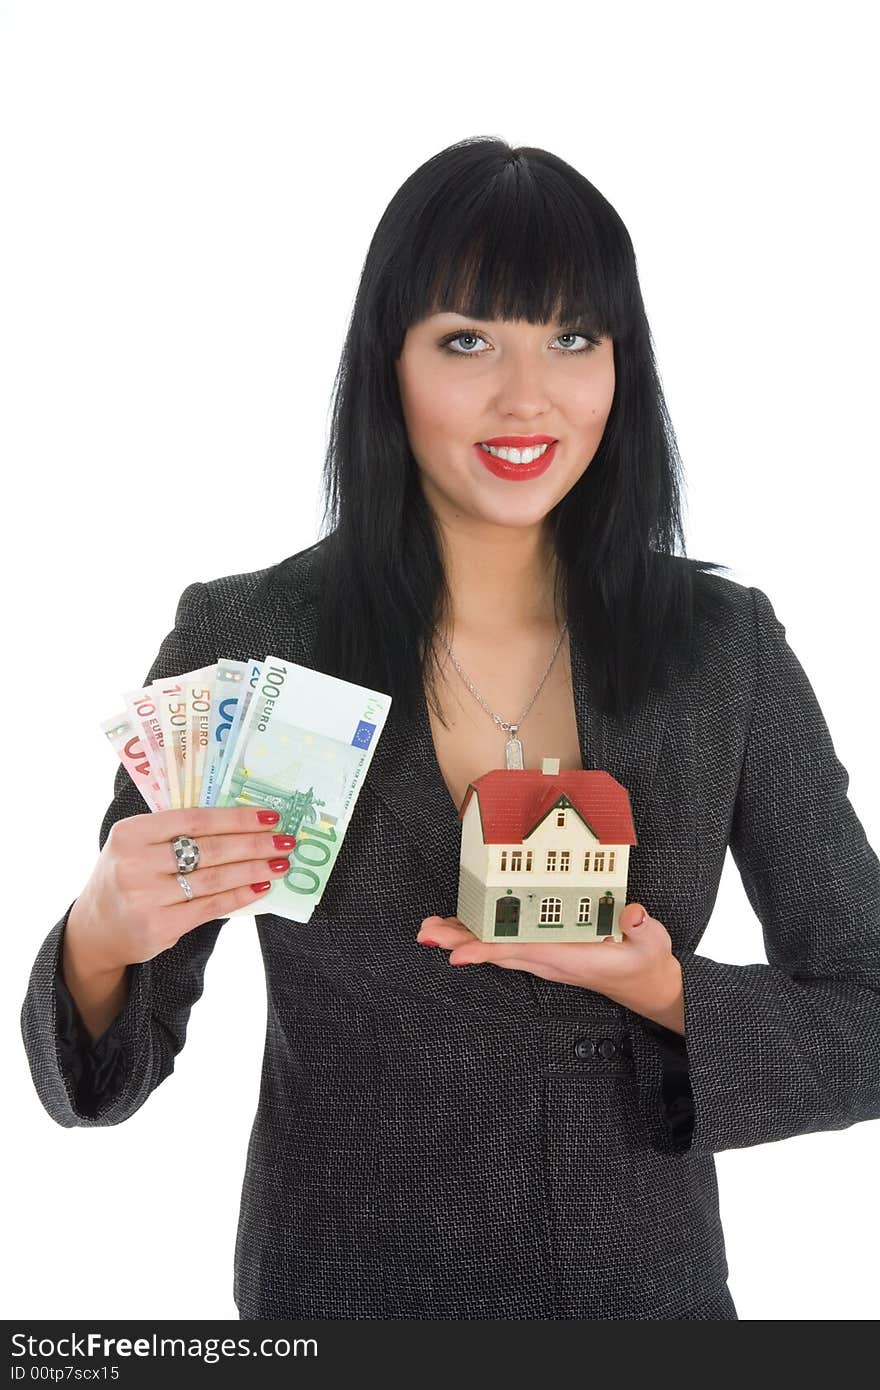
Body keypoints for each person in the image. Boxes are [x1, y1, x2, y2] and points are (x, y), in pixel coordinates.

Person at [20, 137, 880, 1321]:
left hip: (650, 1308)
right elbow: (94, 1083)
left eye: (573, 338)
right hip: (345, 1300)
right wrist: (102, 934)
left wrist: (668, 990)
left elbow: (867, 1008)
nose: (526, 396)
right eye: (467, 340)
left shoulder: (720, 645)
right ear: (390, 362)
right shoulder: (254, 639)